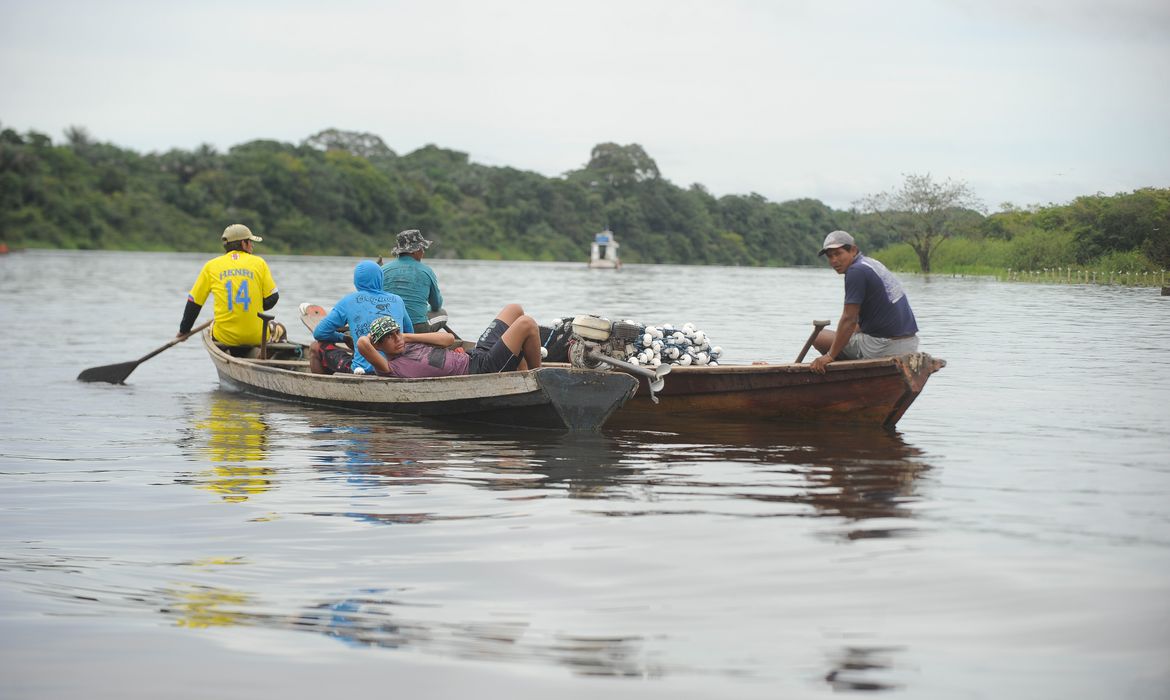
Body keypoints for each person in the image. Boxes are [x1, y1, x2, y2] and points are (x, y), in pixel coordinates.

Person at [809, 230, 919, 374]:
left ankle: (848, 375)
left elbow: (849, 319)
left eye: (838, 254)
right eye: (830, 256)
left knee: (819, 337)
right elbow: (858, 322)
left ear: (853, 250)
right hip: (910, 342)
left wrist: (829, 356)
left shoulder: (856, 271)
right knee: (845, 336)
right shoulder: (871, 264)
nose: (834, 260)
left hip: (885, 346)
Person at [356, 304, 543, 378]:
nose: (396, 338)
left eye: (397, 333)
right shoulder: (389, 368)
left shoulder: (408, 342)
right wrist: (374, 338)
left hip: (475, 356)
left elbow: (448, 339)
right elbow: (362, 344)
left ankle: (523, 372)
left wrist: (406, 336)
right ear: (379, 345)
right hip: (481, 371)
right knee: (526, 324)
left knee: (514, 309)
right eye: (389, 337)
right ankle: (538, 377)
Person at [178, 224, 279, 346]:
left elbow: (194, 302)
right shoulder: (259, 263)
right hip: (257, 337)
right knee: (280, 329)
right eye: (250, 242)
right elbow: (273, 297)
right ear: (243, 243)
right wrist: (253, 307)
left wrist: (184, 330)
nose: (252, 246)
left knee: (210, 328)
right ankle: (263, 355)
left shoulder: (211, 266)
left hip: (224, 337)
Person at [310, 260, 414, 375]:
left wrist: (343, 338)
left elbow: (319, 333)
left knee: (316, 346)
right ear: (380, 278)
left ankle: (323, 388)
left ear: (356, 281)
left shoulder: (348, 301)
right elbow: (410, 334)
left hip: (364, 371)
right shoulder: (397, 300)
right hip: (396, 368)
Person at [381, 229, 444, 332]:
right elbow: (436, 305)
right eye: (422, 249)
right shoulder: (427, 271)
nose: (423, 252)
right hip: (417, 328)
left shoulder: (383, 270)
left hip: (388, 328)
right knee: (442, 313)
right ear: (415, 251)